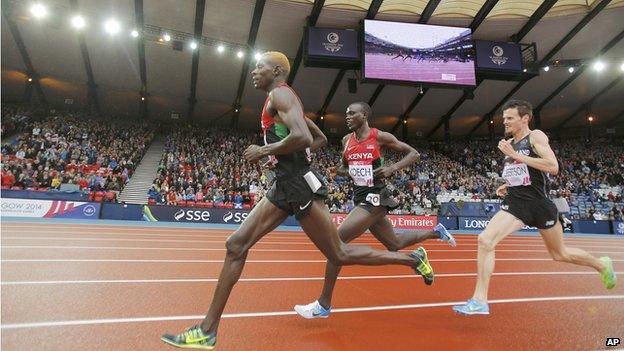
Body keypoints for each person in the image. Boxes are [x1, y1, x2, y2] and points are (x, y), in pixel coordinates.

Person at [161, 51, 434, 349]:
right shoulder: (278, 100)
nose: (254, 71)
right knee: (235, 245)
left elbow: (304, 137)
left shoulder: (281, 95)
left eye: (259, 67)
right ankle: (207, 330)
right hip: (284, 184)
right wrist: (278, 156)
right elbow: (319, 139)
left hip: (300, 186)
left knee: (339, 253)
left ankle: (411, 258)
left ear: (276, 70)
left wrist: (266, 151)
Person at [452, 100, 617, 316]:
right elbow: (524, 173)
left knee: (559, 254)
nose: (505, 122)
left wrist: (516, 155)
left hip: (540, 206)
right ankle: (479, 300)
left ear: (525, 118)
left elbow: (552, 166)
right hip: (516, 204)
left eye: (510, 118)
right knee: (485, 240)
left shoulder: (536, 136)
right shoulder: (510, 143)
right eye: (504, 118)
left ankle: (601, 265)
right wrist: (508, 184)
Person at [294, 102, 456, 319]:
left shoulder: (379, 136)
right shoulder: (346, 140)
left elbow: (413, 154)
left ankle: (324, 305)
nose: (347, 117)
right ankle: (434, 234)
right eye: (346, 113)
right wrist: (340, 171)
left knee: (336, 242)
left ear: (365, 115)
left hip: (376, 198)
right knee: (394, 243)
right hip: (360, 197)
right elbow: (345, 167)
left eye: (352, 113)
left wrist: (391, 168)